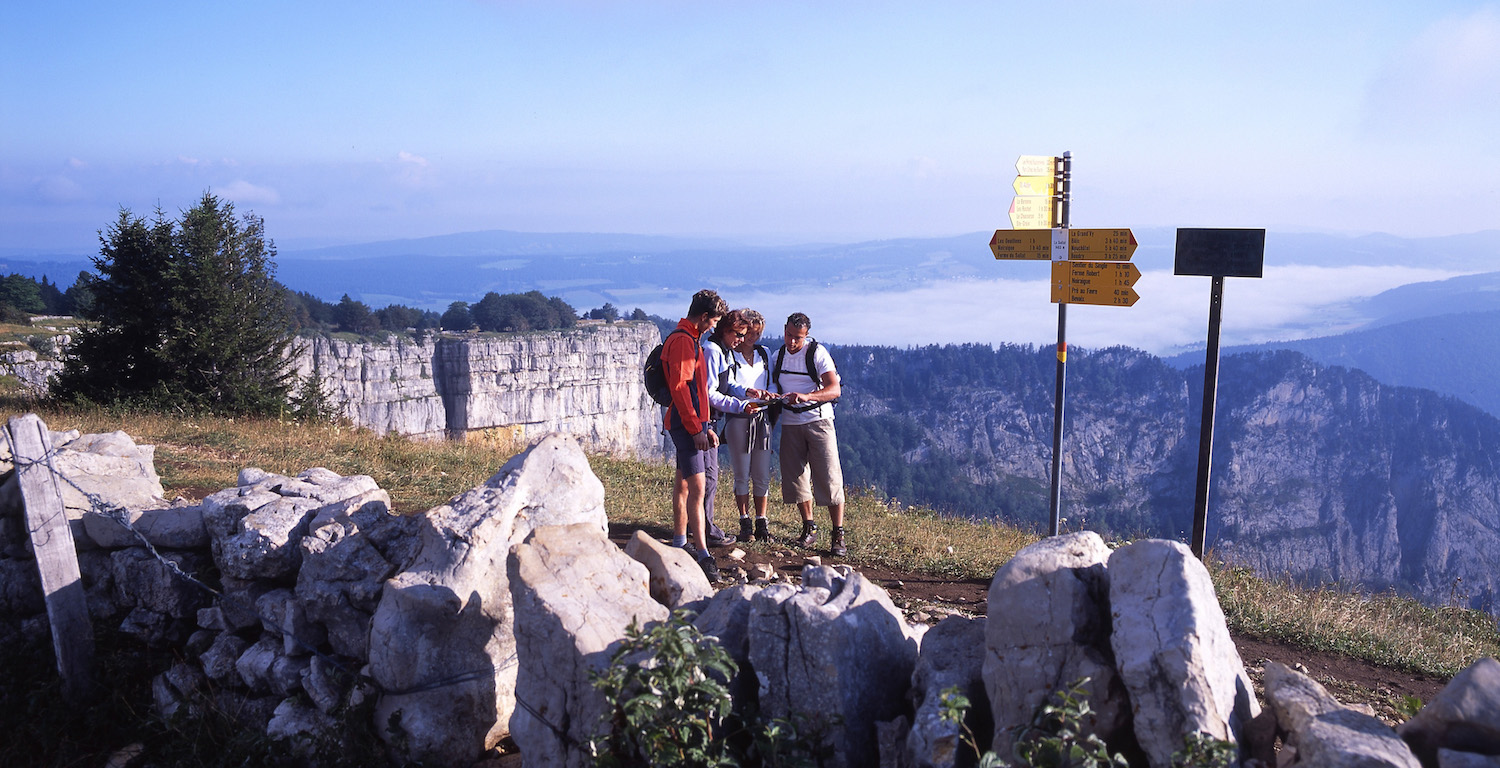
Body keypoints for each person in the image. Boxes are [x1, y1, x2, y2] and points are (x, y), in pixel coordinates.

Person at [663, 289, 730, 580]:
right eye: (714, 321)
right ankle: (703, 553)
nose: (715, 326)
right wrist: (695, 430)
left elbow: (696, 391)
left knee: (685, 486)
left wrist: (706, 426)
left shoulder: (691, 340)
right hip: (684, 425)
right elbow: (680, 389)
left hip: (693, 424)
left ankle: (680, 542)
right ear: (703, 317)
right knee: (698, 487)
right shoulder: (682, 342)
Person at [771, 312, 847, 557]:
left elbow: (834, 390)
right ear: (784, 330)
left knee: (829, 476)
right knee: (796, 478)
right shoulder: (778, 356)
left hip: (819, 420)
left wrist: (808, 397)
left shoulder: (817, 354)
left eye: (798, 338)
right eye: (789, 336)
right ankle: (809, 527)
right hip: (791, 421)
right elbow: (774, 384)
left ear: (807, 335)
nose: (792, 342)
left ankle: (838, 534)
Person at [703, 309, 776, 543]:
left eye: (755, 334)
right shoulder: (720, 352)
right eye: (746, 333)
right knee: (738, 473)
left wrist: (751, 393)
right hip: (737, 416)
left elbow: (732, 385)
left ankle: (760, 522)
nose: (749, 339)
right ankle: (741, 522)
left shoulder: (762, 354)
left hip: (760, 413)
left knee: (761, 473)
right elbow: (711, 392)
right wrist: (741, 403)